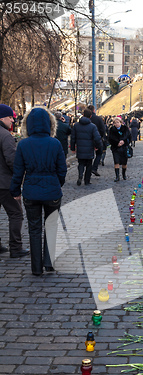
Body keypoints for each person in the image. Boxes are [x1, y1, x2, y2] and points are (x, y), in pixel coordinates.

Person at [10, 107, 67, 275]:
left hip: (31, 192)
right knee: (51, 227)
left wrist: (15, 190)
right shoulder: (55, 143)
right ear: (50, 124)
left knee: (34, 229)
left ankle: (36, 268)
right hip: (52, 192)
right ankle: (49, 262)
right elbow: (62, 170)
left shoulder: (23, 144)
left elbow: (18, 171)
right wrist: (57, 184)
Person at [0, 104, 29, 258]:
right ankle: (16, 247)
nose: (12, 120)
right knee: (16, 214)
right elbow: (12, 160)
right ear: (2, 118)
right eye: (10, 117)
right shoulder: (5, 135)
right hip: (4, 183)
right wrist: (19, 179)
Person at [70, 108, 102, 186]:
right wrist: (97, 146)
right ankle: (87, 180)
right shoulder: (92, 126)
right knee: (89, 165)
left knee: (80, 163)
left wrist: (73, 148)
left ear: (83, 115)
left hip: (80, 148)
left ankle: (80, 175)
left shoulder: (76, 125)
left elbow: (73, 137)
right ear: (90, 116)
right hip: (89, 149)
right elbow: (97, 138)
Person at [108, 116, 131, 182]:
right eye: (115, 123)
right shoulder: (112, 130)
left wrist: (123, 141)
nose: (116, 124)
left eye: (118, 122)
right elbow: (110, 139)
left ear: (121, 122)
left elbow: (129, 137)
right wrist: (116, 143)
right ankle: (117, 176)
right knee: (116, 162)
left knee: (124, 163)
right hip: (116, 148)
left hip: (124, 148)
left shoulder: (125, 129)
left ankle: (124, 174)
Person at [87, 104, 106, 176]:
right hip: (97, 139)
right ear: (94, 110)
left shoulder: (85, 118)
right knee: (99, 154)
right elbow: (102, 129)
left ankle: (87, 171)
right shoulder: (98, 118)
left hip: (87, 139)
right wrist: (101, 137)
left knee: (89, 156)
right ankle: (94, 168)